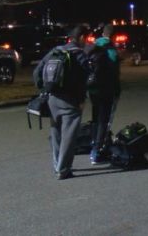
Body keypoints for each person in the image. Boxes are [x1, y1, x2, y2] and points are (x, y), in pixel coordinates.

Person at [33, 25, 91, 180]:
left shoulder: (56, 51)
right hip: (70, 101)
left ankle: (57, 164)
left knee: (56, 133)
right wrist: (81, 100)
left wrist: (44, 89)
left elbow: (37, 72)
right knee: (69, 137)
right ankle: (63, 169)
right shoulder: (79, 55)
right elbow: (84, 80)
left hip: (52, 99)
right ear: (82, 38)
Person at [86, 24, 121, 165]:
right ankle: (96, 150)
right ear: (112, 36)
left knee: (95, 117)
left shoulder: (93, 46)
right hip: (106, 89)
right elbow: (114, 72)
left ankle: (94, 142)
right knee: (103, 120)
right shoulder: (110, 49)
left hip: (92, 89)